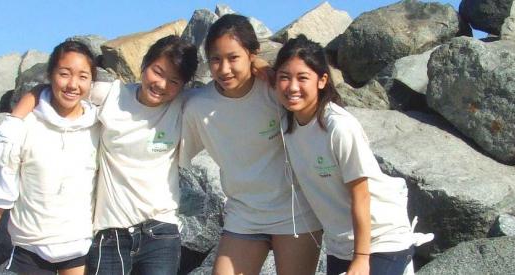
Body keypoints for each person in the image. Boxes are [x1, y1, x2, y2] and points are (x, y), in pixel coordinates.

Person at [11, 35, 198, 275]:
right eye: (157, 72)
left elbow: (225, 95)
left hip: (160, 231)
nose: (161, 84)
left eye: (174, 80)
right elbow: (54, 89)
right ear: (144, 65)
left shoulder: (184, 105)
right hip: (110, 234)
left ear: (183, 86)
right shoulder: (110, 95)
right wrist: (14, 121)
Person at [272, 34, 433, 275]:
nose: (292, 87)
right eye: (284, 77)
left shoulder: (339, 127)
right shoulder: (289, 123)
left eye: (302, 77)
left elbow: (361, 196)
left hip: (380, 240)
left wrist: (360, 259)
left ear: (322, 80)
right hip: (340, 245)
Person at [179, 14, 323, 275]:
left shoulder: (275, 91)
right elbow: (174, 152)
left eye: (233, 58)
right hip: (243, 216)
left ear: (252, 54)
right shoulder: (198, 107)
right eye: (215, 59)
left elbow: (320, 115)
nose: (224, 69)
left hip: (295, 213)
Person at [0, 40, 100, 275]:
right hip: (30, 250)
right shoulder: (19, 129)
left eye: (83, 76)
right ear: (50, 75)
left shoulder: (99, 124)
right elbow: (0, 189)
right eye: (64, 74)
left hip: (78, 247)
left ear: (92, 82)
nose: (72, 85)